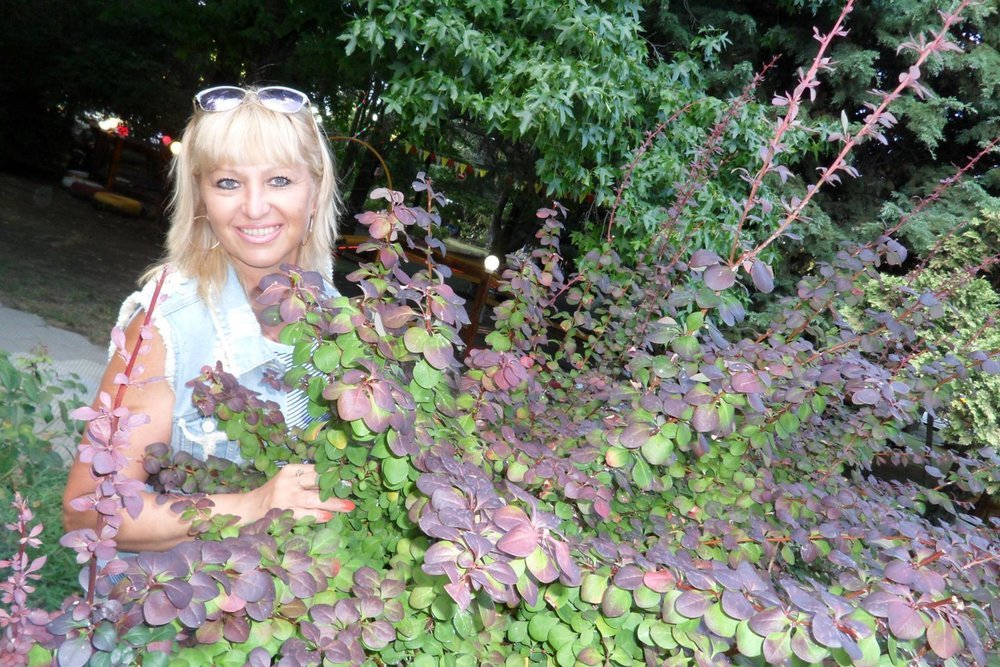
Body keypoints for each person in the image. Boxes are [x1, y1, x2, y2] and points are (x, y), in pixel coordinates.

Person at [63, 85, 354, 552]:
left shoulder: (347, 329)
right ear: (201, 197)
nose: (254, 207)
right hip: (172, 597)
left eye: (280, 180)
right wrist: (254, 506)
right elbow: (88, 512)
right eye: (228, 183)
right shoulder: (166, 328)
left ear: (316, 191)